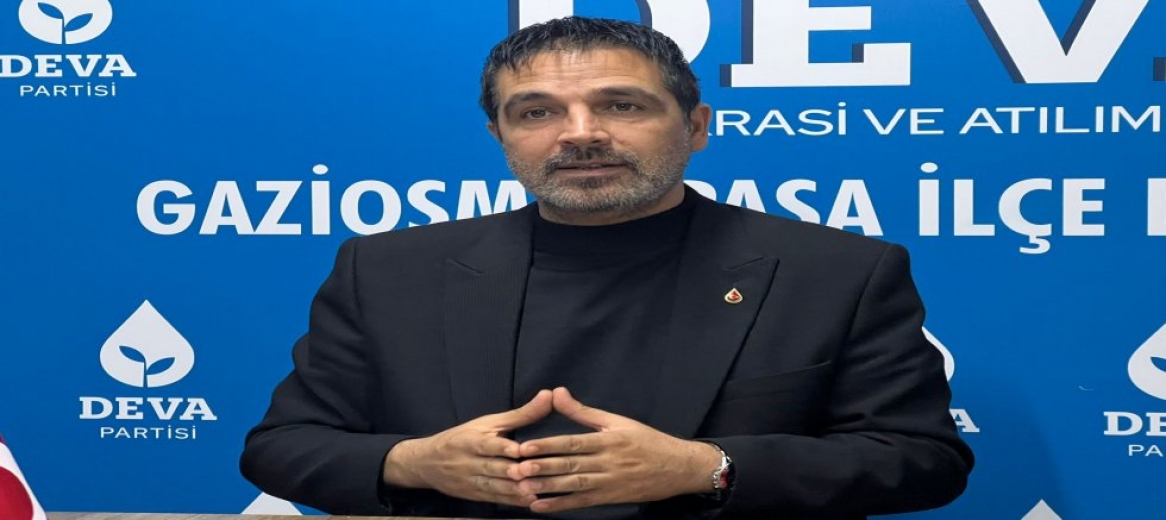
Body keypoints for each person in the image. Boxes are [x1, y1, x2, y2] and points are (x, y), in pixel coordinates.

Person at [240, 16, 973, 520]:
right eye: (536, 112)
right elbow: (281, 447)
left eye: (621, 105)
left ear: (696, 127)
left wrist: (703, 468)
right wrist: (416, 462)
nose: (581, 135)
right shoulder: (387, 270)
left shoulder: (837, 271)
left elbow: (922, 461)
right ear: (499, 136)